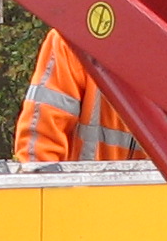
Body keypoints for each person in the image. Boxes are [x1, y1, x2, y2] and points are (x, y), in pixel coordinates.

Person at [13, 31, 142, 164]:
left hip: (147, 183)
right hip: (84, 183)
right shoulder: (71, 41)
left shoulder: (72, 39)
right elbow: (41, 148)